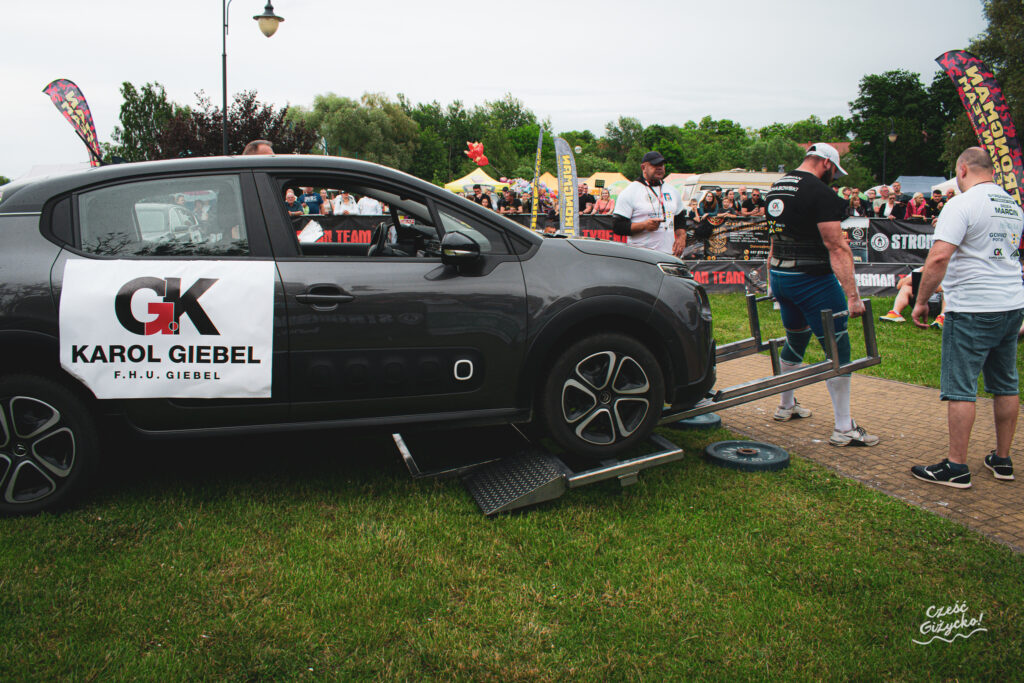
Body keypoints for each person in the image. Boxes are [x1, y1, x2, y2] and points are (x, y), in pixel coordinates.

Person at [910, 147, 1024, 488]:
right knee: (1006, 383)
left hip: (973, 306)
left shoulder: (962, 203)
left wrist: (920, 301)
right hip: (1011, 304)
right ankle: (1002, 460)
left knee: (961, 387)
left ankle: (956, 466)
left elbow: (938, 257)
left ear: (962, 170)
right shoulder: (1011, 205)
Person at [764, 143, 878, 446]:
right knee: (838, 347)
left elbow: (774, 240)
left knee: (796, 338)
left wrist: (771, 281)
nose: (835, 179)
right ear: (826, 163)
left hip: (782, 275)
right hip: (812, 279)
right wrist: (853, 296)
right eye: (835, 172)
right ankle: (844, 428)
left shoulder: (777, 187)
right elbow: (836, 245)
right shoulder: (821, 193)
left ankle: (785, 406)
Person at [611, 150, 686, 256]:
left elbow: (680, 219)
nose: (659, 168)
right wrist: (644, 225)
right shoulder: (630, 191)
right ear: (643, 167)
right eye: (655, 165)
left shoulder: (672, 191)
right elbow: (617, 227)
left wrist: (681, 237)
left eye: (662, 165)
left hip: (669, 255)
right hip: (641, 256)